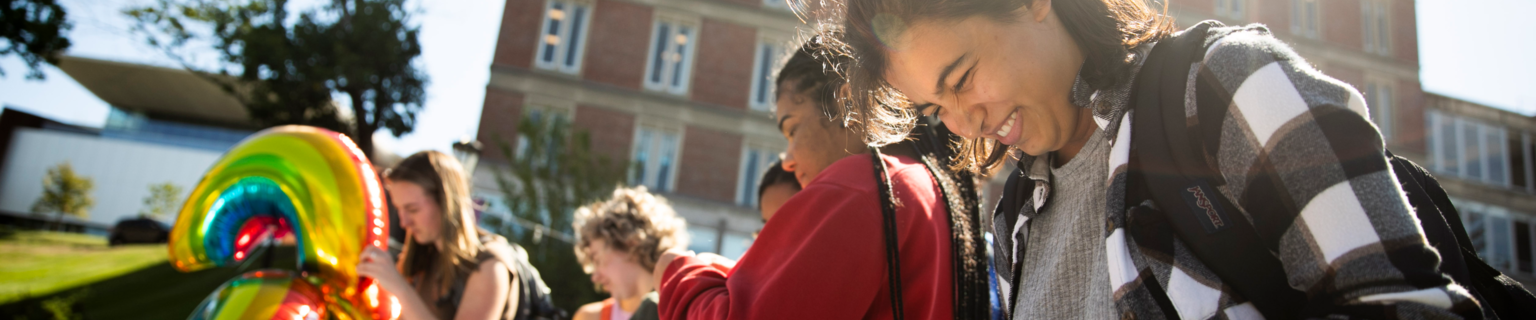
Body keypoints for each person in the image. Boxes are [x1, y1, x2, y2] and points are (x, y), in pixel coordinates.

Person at [813, 0, 1481, 318]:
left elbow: (1409, 307)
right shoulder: (1014, 215)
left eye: (960, 78)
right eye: (936, 110)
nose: (963, 123)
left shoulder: (1225, 86)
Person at [650, 36, 990, 320]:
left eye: (793, 128)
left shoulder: (861, 188)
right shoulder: (929, 184)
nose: (787, 159)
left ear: (844, 103)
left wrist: (677, 273)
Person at [357, 151, 520, 320]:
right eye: (399, 209)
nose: (403, 223)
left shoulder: (489, 264)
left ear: (446, 203)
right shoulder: (422, 256)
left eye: (413, 210)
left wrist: (400, 288)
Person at [571, 186, 689, 320]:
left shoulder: (683, 315)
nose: (595, 277)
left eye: (597, 259)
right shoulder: (589, 317)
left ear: (631, 241)